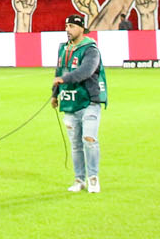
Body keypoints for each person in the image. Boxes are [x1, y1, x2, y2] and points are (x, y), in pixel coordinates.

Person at [51, 14, 107, 193]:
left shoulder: (91, 50)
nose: (68, 30)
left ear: (82, 28)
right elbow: (59, 70)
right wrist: (54, 95)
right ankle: (79, 179)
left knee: (89, 139)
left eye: (72, 26)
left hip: (89, 101)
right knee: (75, 144)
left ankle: (93, 178)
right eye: (66, 26)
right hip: (70, 102)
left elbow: (86, 71)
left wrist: (64, 79)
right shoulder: (64, 49)